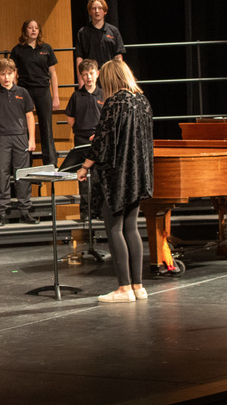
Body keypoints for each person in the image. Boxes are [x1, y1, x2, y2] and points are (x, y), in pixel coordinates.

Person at [76, 59, 153, 303]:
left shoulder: (115, 102)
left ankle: (123, 289)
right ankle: (138, 287)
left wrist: (85, 165)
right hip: (138, 173)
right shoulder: (142, 101)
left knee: (115, 228)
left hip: (116, 175)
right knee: (132, 228)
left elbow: (103, 142)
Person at [0, 58, 38, 226]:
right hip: (1, 138)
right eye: (2, 74)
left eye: (9, 73)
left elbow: (30, 116)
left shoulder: (23, 92)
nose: (6, 78)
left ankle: (24, 211)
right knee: (1, 174)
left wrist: (32, 139)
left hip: (20, 137)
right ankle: (1, 212)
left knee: (23, 175)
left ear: (15, 73)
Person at [10, 19, 60, 167]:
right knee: (24, 127)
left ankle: (50, 162)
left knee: (46, 126)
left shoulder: (46, 48)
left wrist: (55, 96)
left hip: (43, 90)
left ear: (39, 31)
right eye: (30, 28)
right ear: (25, 31)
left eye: (36, 28)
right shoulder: (18, 49)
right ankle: (25, 162)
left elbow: (53, 74)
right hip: (25, 91)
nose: (33, 30)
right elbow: (13, 73)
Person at [65, 59, 103, 220]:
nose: (88, 77)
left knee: (99, 177)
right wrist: (80, 131)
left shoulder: (103, 94)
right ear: (81, 76)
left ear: (97, 74)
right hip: (82, 139)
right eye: (85, 74)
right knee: (83, 177)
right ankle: (86, 212)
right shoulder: (76, 95)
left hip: (99, 140)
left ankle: (100, 211)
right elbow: (70, 117)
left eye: (91, 73)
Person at [75, 0, 125, 88]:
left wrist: (119, 78)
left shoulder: (113, 31)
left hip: (110, 76)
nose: (97, 11)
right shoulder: (83, 32)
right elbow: (79, 58)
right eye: (94, 8)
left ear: (105, 11)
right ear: (90, 12)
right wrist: (81, 82)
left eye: (100, 8)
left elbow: (118, 57)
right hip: (91, 77)